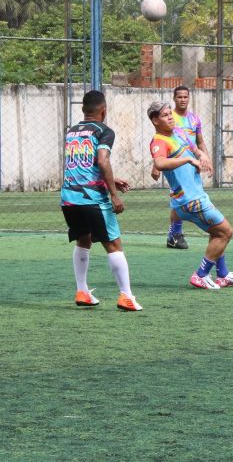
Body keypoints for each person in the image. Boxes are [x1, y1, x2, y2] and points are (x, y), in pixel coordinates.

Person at [148, 100, 233, 290]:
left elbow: (196, 150)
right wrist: (188, 160)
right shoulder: (159, 140)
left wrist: (203, 156)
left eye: (170, 114)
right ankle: (201, 274)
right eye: (165, 115)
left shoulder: (179, 132)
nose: (170, 117)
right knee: (226, 232)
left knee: (216, 232)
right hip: (189, 200)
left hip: (196, 195)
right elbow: (160, 162)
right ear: (155, 121)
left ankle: (223, 275)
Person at [61, 90, 141, 311]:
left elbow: (82, 165)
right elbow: (102, 160)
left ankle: (82, 291)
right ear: (103, 110)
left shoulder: (71, 132)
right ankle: (126, 296)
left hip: (69, 198)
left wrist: (111, 180)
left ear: (83, 110)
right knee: (114, 245)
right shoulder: (103, 131)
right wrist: (113, 193)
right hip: (92, 199)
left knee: (83, 240)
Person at [151, 86, 213, 249]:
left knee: (179, 200)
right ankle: (175, 234)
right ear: (174, 98)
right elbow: (160, 150)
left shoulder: (194, 119)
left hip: (191, 161)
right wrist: (156, 166)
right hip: (177, 162)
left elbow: (198, 142)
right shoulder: (171, 121)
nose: (183, 100)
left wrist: (204, 157)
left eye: (186, 97)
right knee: (178, 197)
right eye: (179, 97)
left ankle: (174, 235)